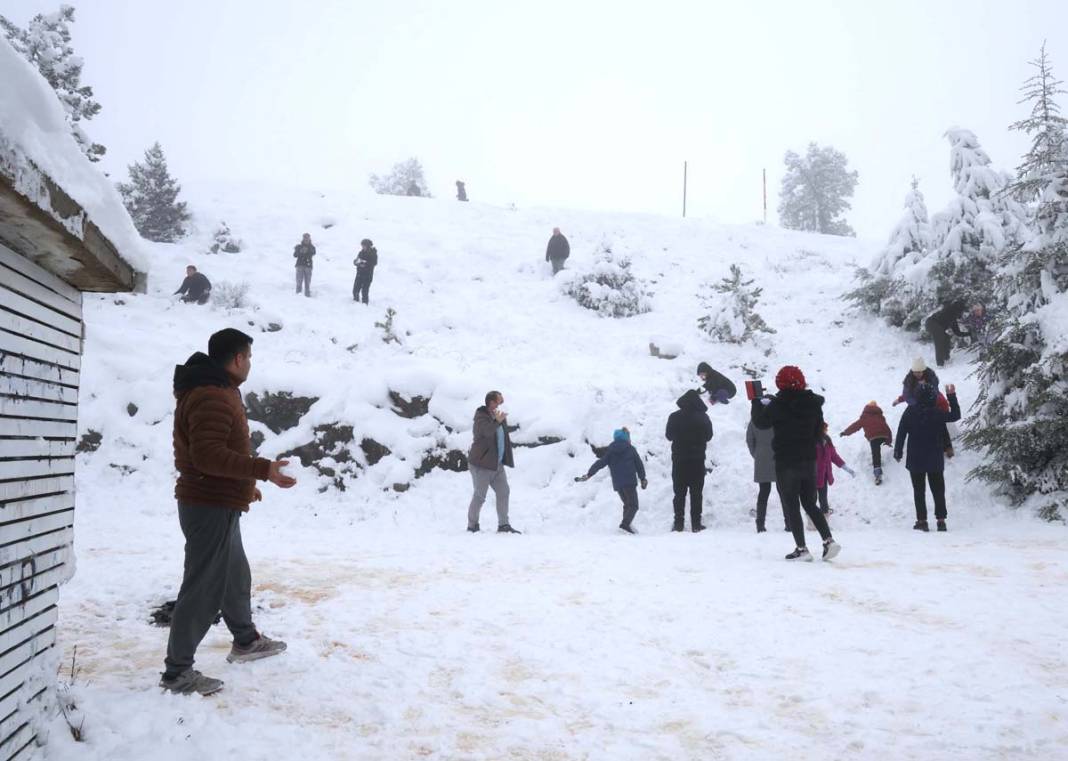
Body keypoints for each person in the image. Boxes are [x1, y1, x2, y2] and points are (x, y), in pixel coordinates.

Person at [160, 328, 297, 696]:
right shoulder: (212, 396)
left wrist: (244, 486)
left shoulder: (217, 390)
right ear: (237, 359)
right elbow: (207, 456)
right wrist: (262, 470)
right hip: (208, 505)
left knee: (235, 574)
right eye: (248, 356)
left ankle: (246, 641)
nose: (250, 363)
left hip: (218, 499)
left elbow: (216, 453)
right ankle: (178, 672)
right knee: (203, 588)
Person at [751, 365, 841, 561]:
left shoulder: (777, 405)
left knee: (791, 504)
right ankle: (828, 540)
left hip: (786, 461)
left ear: (780, 383)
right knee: (810, 503)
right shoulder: (813, 404)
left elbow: (760, 423)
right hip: (809, 460)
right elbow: (819, 430)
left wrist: (756, 402)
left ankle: (802, 549)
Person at [894, 382, 961, 532]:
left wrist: (898, 451)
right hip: (934, 457)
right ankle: (941, 521)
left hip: (915, 458)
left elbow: (901, 431)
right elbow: (955, 416)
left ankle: (922, 521)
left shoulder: (910, 412)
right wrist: (951, 396)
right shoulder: (937, 412)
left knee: (919, 491)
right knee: (938, 490)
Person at [467, 391, 520, 534]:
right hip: (482, 464)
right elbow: (487, 432)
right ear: (491, 402)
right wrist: (497, 421)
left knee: (504, 491)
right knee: (480, 496)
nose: (502, 404)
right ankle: (472, 526)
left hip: (497, 464)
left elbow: (502, 438)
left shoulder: (498, 416)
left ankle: (504, 525)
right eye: (499, 401)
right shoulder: (481, 417)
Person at [576, 428, 647, 534]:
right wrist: (643, 478)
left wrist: (589, 474)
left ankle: (625, 527)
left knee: (627, 504)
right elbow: (639, 464)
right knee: (633, 505)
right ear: (626, 438)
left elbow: (600, 463)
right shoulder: (630, 449)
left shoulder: (610, 451)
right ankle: (625, 525)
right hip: (629, 482)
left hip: (618, 484)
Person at [665, 389, 713, 532]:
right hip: (697, 461)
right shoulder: (703, 417)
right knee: (696, 493)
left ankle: (678, 523)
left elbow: (669, 436)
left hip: (679, 461)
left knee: (679, 494)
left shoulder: (674, 416)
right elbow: (709, 436)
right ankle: (696, 524)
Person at [746, 418, 786, 533]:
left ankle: (760, 524)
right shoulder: (779, 418)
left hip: (762, 459)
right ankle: (789, 523)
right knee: (783, 493)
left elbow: (749, 440)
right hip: (779, 458)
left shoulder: (755, 420)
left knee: (763, 493)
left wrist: (756, 454)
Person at [840, 402, 893, 484]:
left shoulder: (864, 417)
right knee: (880, 450)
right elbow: (887, 428)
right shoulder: (880, 416)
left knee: (875, 454)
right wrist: (889, 441)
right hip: (884, 435)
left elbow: (855, 426)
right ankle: (884, 461)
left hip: (873, 436)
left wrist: (845, 432)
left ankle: (878, 475)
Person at [815, 422, 854, 515]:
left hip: (824, 474)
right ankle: (812, 516)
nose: (826, 430)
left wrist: (845, 467)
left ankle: (825, 512)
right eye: (825, 429)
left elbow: (834, 456)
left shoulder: (827, 440)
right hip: (812, 475)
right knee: (811, 498)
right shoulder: (810, 441)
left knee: (823, 495)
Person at [925, 300, 969, 367]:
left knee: (946, 337)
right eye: (961, 311)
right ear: (958, 310)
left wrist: (968, 334)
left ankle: (946, 358)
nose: (962, 314)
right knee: (940, 338)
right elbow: (948, 307)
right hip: (931, 323)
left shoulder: (953, 319)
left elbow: (958, 333)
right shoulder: (949, 311)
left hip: (935, 325)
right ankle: (940, 363)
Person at [353, 238, 378, 304]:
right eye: (362, 245)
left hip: (367, 276)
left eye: (364, 245)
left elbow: (374, 263)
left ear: (368, 246)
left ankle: (365, 305)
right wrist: (356, 262)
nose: (362, 247)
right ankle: (355, 303)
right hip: (359, 274)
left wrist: (364, 263)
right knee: (355, 290)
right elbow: (356, 260)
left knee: (364, 291)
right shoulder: (361, 252)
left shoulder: (373, 253)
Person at [293, 233, 315, 297]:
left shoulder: (312, 247)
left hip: (308, 266)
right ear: (303, 238)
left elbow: (313, 253)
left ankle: (307, 296)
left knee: (307, 283)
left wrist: (307, 251)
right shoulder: (299, 246)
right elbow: (295, 255)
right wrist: (299, 251)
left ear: (309, 238)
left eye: (307, 238)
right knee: (299, 281)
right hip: (300, 265)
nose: (306, 239)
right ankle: (297, 296)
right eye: (305, 238)